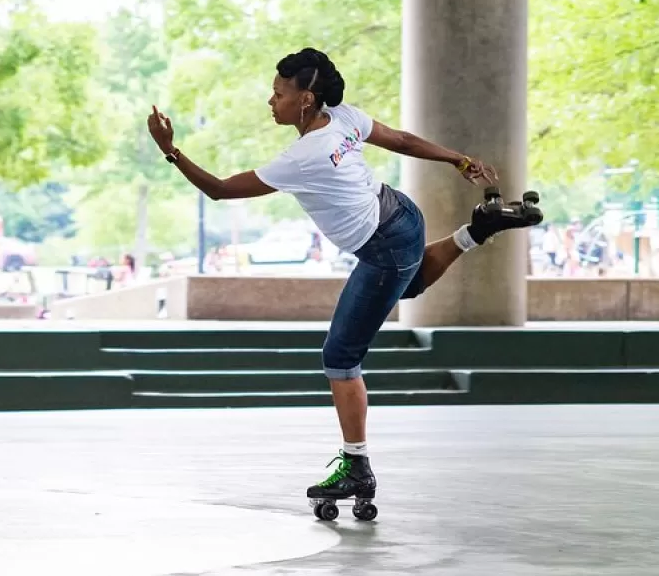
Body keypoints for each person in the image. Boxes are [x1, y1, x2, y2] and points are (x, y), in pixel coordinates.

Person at [145, 47, 540, 505]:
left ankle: (357, 466)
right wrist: (458, 159)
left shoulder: (301, 158)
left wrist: (170, 150)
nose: (270, 102)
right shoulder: (345, 118)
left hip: (385, 244)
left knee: (340, 356)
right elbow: (404, 141)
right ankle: (478, 228)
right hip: (403, 216)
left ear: (306, 99)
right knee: (406, 284)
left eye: (278, 94)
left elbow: (218, 190)